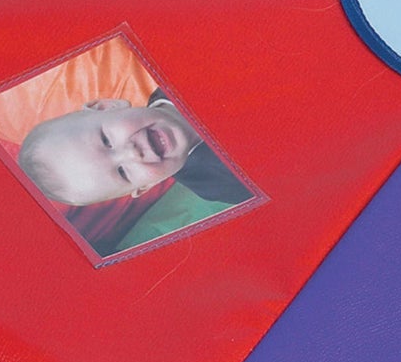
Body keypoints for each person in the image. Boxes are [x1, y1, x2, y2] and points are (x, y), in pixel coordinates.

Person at [17, 93, 251, 256]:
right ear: (145, 186)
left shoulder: (182, 68)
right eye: (122, 173)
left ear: (107, 106)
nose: (132, 153)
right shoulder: (218, 185)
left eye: (106, 140)